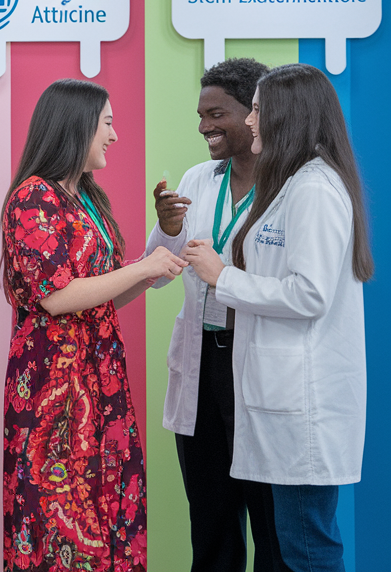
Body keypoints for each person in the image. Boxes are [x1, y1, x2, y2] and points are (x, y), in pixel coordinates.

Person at [182, 63, 370, 572]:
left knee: (305, 549)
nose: (253, 122)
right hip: (277, 394)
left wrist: (224, 277)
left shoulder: (313, 189)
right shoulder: (290, 185)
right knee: (293, 541)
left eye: (259, 110)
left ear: (286, 115)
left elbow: (310, 294)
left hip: (303, 402)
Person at [1, 78, 185, 572]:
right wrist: (144, 268)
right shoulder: (32, 198)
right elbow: (57, 296)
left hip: (102, 375)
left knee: (109, 506)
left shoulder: (86, 198)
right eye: (107, 123)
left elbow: (101, 294)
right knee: (56, 508)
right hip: (53, 388)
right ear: (76, 126)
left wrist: (155, 267)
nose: (115, 136)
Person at [146, 58, 285, 572]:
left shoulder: (287, 185)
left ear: (253, 114)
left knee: (271, 523)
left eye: (216, 113)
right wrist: (166, 228)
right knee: (210, 520)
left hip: (257, 366)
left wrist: (223, 270)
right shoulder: (199, 180)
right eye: (200, 114)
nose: (203, 126)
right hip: (202, 365)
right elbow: (159, 272)